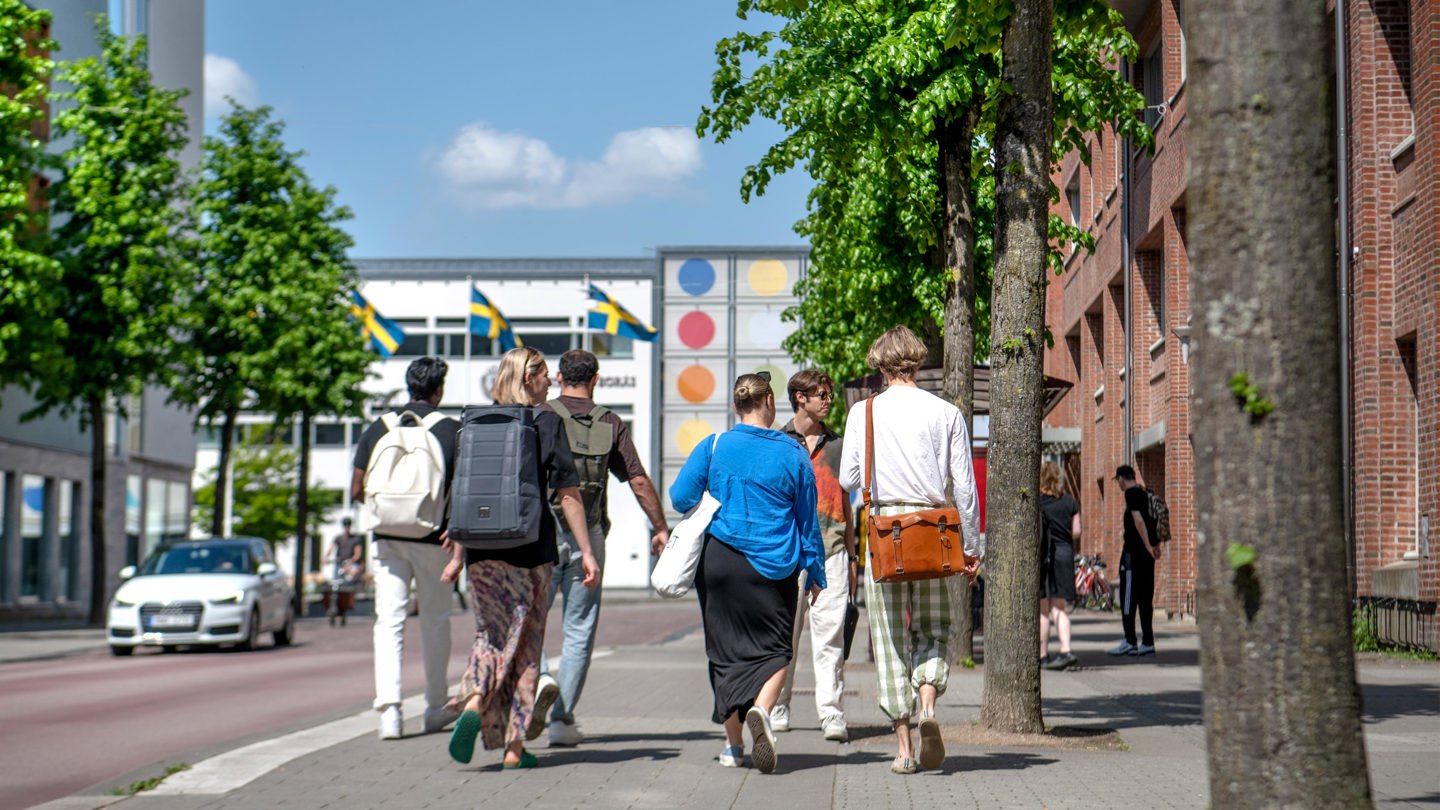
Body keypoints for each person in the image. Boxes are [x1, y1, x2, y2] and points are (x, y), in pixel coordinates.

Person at [442, 347, 601, 770]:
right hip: (532, 550)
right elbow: (568, 492)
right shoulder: (545, 421)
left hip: (481, 551)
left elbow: (467, 491)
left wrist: (458, 554)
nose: (549, 382)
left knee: (490, 634)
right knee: (528, 645)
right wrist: (586, 551)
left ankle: (479, 702)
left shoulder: (475, 420)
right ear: (528, 378)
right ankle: (510, 742)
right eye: (544, 375)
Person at [838, 326, 983, 775]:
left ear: (879, 364)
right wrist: (973, 546)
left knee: (889, 640)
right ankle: (927, 708)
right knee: (935, 628)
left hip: (885, 532)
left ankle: (903, 749)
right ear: (918, 363)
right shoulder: (946, 413)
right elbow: (965, 486)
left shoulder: (863, 413)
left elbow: (847, 479)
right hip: (934, 528)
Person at [669, 373, 826, 774]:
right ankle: (762, 709)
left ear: (737, 405)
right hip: (774, 566)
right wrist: (817, 572)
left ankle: (732, 747)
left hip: (720, 561)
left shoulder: (714, 445)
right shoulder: (793, 453)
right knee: (777, 650)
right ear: (770, 402)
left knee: (723, 652)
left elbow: (680, 496)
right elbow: (808, 521)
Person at [531, 349, 671, 747]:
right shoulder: (609, 422)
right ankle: (561, 721)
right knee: (579, 628)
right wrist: (660, 528)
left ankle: (540, 678)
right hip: (587, 535)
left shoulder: (541, 415)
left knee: (532, 620)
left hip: (540, 534)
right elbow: (638, 481)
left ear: (558, 377)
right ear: (596, 379)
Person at [351, 357, 461, 740]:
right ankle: (434, 707)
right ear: (439, 389)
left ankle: (390, 713)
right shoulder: (451, 430)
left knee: (389, 622)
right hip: (435, 539)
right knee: (436, 621)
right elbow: (461, 491)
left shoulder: (378, 428)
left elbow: (355, 489)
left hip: (388, 539)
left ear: (408, 385)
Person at [771, 369, 857, 743]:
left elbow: (848, 505)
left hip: (831, 551)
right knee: (784, 636)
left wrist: (853, 556)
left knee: (830, 637)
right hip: (786, 553)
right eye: (821, 394)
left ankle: (832, 713)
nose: (827, 400)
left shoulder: (840, 446)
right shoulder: (777, 442)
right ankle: (777, 706)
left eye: (829, 394)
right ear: (799, 397)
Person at [1110, 464, 1160, 656]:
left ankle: (1129, 640)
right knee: (1146, 599)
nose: (1119, 485)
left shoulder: (1131, 494)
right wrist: (1155, 546)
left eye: (1118, 481)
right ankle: (1148, 641)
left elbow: (1138, 520)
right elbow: (1156, 520)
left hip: (1133, 555)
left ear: (1122, 478)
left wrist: (1147, 544)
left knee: (1128, 597)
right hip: (1148, 557)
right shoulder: (1147, 493)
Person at [1038, 461, 1081, 670]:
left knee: (1043, 609)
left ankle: (1043, 655)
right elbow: (1077, 532)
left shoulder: (1038, 503)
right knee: (1060, 607)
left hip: (1044, 557)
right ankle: (1066, 649)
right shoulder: (1070, 502)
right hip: (1065, 555)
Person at [327, 517, 365, 581]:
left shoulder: (355, 538)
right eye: (345, 526)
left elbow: (357, 554)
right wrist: (326, 557)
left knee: (351, 581)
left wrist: (349, 563)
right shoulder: (338, 538)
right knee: (337, 582)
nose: (346, 528)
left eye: (348, 526)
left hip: (352, 564)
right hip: (340, 563)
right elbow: (331, 548)